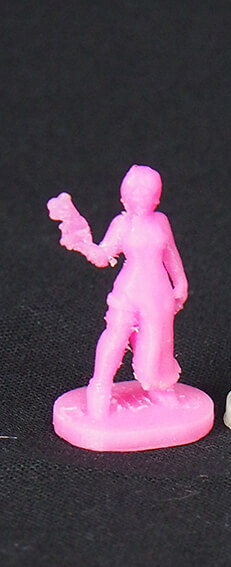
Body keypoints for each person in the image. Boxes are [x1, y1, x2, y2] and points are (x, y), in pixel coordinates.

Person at [51, 165, 189, 420]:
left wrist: (180, 282)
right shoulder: (122, 224)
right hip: (129, 291)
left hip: (157, 292)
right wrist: (83, 244)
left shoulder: (160, 221)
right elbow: (103, 255)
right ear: (125, 196)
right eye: (136, 193)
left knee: (157, 341)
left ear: (157, 197)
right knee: (116, 336)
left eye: (148, 194)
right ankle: (100, 386)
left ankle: (157, 385)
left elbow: (170, 253)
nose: (142, 199)